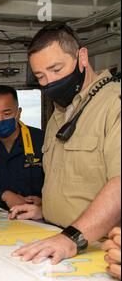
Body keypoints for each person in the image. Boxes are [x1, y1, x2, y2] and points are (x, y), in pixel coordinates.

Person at [11, 23, 121, 265]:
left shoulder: (114, 104)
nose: (49, 82)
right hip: (56, 237)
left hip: (96, 248)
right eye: (41, 76)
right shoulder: (60, 113)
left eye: (56, 69)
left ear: (82, 57)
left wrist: (71, 238)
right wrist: (46, 211)